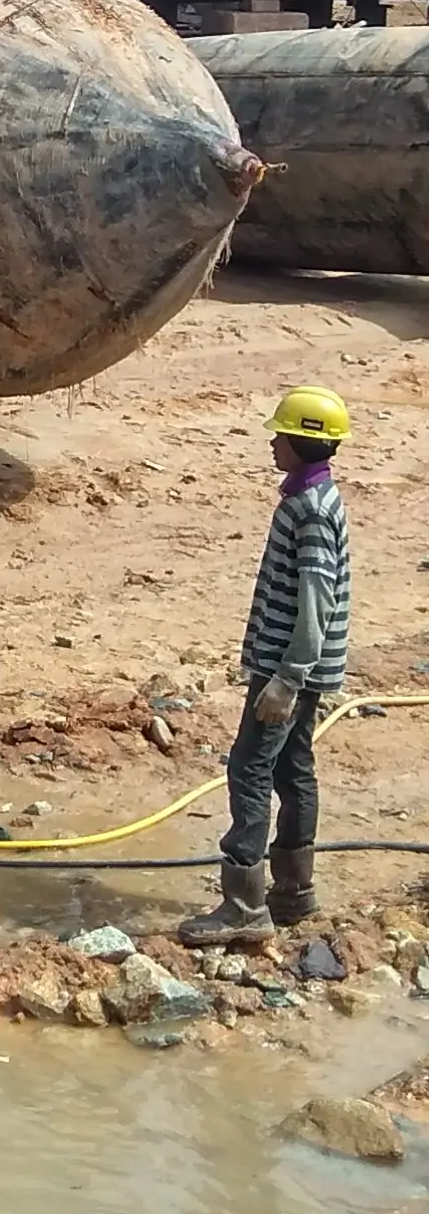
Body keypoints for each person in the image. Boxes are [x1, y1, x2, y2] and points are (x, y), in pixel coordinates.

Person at [180, 386, 353, 947]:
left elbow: (316, 600)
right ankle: (294, 893)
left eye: (281, 434)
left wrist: (286, 678)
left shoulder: (310, 511)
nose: (273, 442)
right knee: (291, 767)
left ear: (303, 443)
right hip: (302, 667)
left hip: (290, 667)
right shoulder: (313, 499)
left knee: (250, 768)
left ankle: (243, 905)